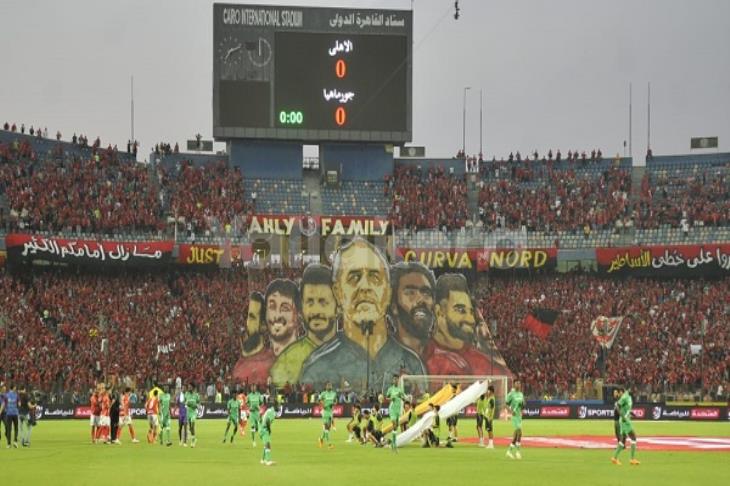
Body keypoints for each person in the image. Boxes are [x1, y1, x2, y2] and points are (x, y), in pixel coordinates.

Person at [301, 239, 426, 388]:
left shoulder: (412, 364)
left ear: (387, 292)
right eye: (354, 277)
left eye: (374, 277)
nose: (365, 286)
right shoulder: (317, 368)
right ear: (338, 292)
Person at [390, 262, 469, 375]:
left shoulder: (452, 366)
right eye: (410, 292)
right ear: (394, 307)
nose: (421, 299)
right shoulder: (382, 363)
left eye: (426, 293)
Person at [271, 265, 337, 384]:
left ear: (338, 307)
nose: (316, 311)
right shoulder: (285, 363)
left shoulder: (355, 357)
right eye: (310, 302)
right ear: (301, 309)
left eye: (323, 302)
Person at [433, 274, 511, 376]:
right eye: (461, 310)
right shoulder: (418, 358)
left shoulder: (487, 366)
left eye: (471, 312)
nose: (471, 320)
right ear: (439, 311)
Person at [234, 280, 300, 384]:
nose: (247, 324)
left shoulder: (271, 364)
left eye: (252, 318)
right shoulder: (239, 364)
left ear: (263, 326)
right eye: (247, 317)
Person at [612, 386, 640, 466]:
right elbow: (617, 406)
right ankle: (632, 459)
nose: (635, 393)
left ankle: (614, 458)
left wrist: (631, 413)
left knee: (622, 440)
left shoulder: (629, 397)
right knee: (633, 437)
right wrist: (623, 416)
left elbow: (626, 408)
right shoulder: (624, 397)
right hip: (625, 421)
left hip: (626, 419)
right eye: (634, 391)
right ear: (629, 389)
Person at [385, 374, 406, 451]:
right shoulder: (390, 389)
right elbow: (386, 397)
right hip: (392, 409)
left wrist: (403, 398)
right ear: (392, 380)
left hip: (398, 410)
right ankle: (394, 444)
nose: (395, 380)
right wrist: (391, 399)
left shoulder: (400, 390)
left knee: (395, 427)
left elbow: (403, 398)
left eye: (396, 379)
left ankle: (393, 443)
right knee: (394, 424)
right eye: (394, 379)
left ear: (398, 380)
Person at [505, 380, 524, 460]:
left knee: (519, 434)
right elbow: (506, 404)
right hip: (515, 416)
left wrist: (522, 410)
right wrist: (511, 411)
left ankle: (510, 451)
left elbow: (522, 405)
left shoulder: (521, 394)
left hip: (519, 415)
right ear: (514, 385)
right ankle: (517, 451)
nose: (518, 384)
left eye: (519, 383)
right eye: (516, 383)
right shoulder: (511, 394)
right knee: (518, 431)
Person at [317, 381, 337, 449]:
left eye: (330, 386)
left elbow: (335, 401)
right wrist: (323, 405)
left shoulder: (334, 393)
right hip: (325, 412)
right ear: (326, 387)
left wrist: (334, 404)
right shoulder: (323, 393)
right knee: (326, 427)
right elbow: (319, 400)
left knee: (328, 428)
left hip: (330, 412)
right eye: (328, 386)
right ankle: (329, 444)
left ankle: (321, 439)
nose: (329, 387)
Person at [3, 383, 19, 448]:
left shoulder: (6, 395)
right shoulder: (16, 395)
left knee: (9, 429)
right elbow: (19, 404)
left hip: (8, 414)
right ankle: (15, 441)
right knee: (16, 428)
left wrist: (6, 409)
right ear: (14, 388)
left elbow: (4, 404)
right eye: (15, 387)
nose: (16, 388)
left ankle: (8, 444)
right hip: (15, 413)